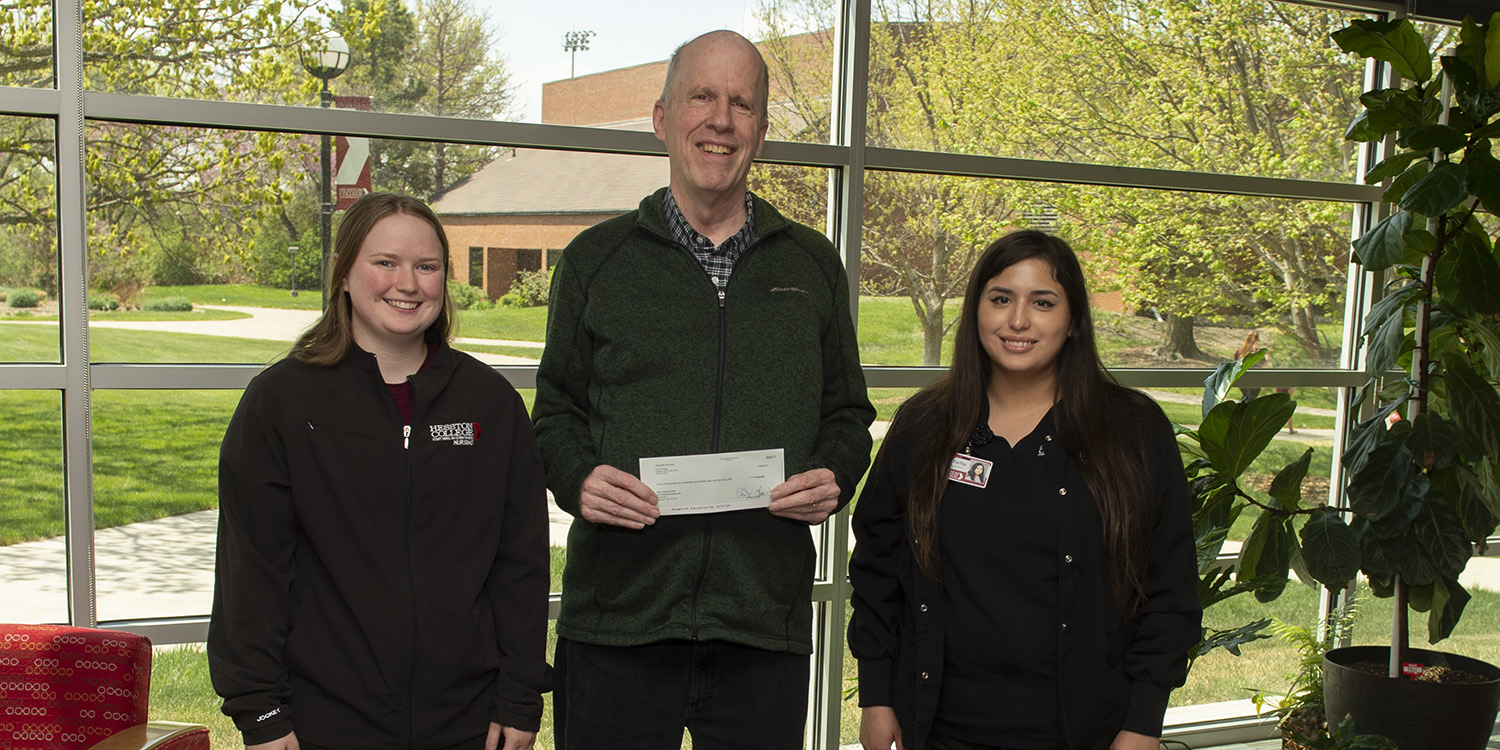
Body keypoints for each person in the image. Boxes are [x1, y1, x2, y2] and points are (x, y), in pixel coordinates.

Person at [531, 29, 875, 750]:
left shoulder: (812, 266)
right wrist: (577, 478)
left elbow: (847, 412)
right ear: (663, 119)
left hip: (762, 626)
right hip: (618, 624)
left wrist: (835, 473)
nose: (721, 119)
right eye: (703, 97)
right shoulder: (598, 262)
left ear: (762, 131)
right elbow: (556, 412)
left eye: (742, 103)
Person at [209, 192, 552, 750]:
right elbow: (253, 574)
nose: (408, 284)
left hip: (469, 722)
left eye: (427, 266)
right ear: (344, 274)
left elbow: (521, 566)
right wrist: (262, 714)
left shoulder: (490, 404)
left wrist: (520, 697)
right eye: (385, 263)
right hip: (324, 722)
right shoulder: (282, 403)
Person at [848, 230, 1201, 750]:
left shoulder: (1132, 429)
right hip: (941, 726)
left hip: (1085, 729)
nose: (1017, 321)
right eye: (1000, 299)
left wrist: (1144, 722)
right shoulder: (925, 424)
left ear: (1074, 318)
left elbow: (1169, 582)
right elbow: (879, 565)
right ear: (976, 312)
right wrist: (876, 697)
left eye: (1042, 302)